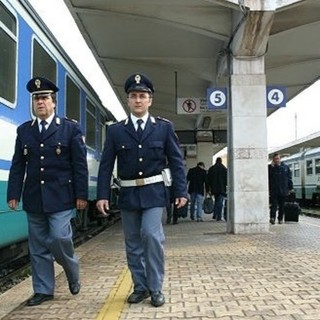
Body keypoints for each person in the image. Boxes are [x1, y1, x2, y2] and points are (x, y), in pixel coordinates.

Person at [96, 73, 188, 307]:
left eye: (142, 96)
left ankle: (156, 287)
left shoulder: (163, 128)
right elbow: (106, 164)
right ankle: (140, 287)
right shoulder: (116, 131)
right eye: (133, 96)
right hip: (128, 194)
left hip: (154, 193)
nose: (138, 100)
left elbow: (176, 161)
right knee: (133, 243)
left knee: (151, 236)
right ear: (128, 100)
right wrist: (102, 195)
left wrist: (181, 191)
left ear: (150, 100)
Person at [7, 77, 88, 306]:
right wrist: (14, 193)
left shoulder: (69, 128)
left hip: (62, 196)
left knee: (59, 237)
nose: (40, 102)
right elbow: (18, 164)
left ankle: (71, 269)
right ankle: (43, 290)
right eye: (36, 99)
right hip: (34, 196)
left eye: (44, 98)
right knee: (38, 246)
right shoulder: (24, 131)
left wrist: (81, 195)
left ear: (53, 102)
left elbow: (79, 165)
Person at [268, 153, 293, 224]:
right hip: (274, 190)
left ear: (280, 159)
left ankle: (280, 219)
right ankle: (272, 218)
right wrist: (272, 167)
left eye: (278, 158)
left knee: (282, 206)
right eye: (275, 159)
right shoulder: (270, 167)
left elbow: (289, 178)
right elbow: (268, 177)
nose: (277, 160)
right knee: (274, 205)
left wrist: (290, 188)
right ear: (273, 160)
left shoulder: (285, 167)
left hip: (283, 189)